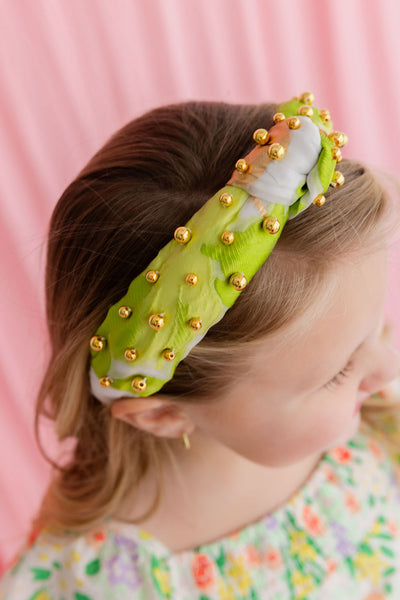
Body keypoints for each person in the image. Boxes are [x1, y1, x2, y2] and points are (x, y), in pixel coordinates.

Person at [1, 93, 400, 600]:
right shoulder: (89, 585)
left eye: (379, 328)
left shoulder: (376, 424)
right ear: (161, 416)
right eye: (337, 372)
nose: (389, 368)